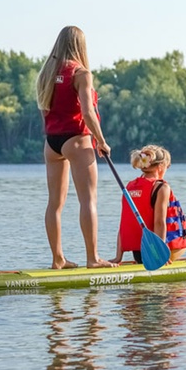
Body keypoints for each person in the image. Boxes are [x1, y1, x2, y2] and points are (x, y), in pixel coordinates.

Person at [35, 25, 117, 269]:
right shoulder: (81, 73)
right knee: (88, 200)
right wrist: (101, 141)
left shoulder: (46, 74)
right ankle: (93, 259)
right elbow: (87, 111)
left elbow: (44, 111)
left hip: (52, 143)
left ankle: (57, 259)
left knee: (54, 204)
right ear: (80, 46)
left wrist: (52, 132)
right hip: (77, 139)